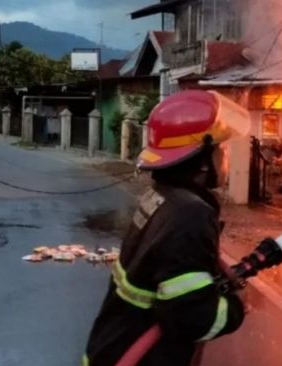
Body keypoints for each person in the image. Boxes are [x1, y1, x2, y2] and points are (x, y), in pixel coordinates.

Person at [84, 90, 251, 366]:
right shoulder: (190, 215)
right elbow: (194, 319)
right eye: (220, 149)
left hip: (111, 348)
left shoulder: (163, 197)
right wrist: (238, 305)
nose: (225, 158)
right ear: (201, 159)